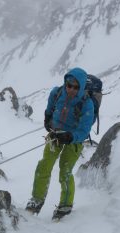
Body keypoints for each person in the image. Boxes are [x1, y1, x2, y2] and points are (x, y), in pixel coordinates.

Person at [25, 67, 94, 220]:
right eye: (69, 85)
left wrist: (70, 137)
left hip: (73, 140)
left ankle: (66, 204)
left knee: (65, 170)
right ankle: (37, 199)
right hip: (55, 134)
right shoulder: (56, 93)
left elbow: (84, 130)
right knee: (44, 165)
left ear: (81, 87)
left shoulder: (87, 104)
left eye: (76, 87)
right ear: (65, 83)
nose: (71, 90)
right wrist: (48, 120)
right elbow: (49, 110)